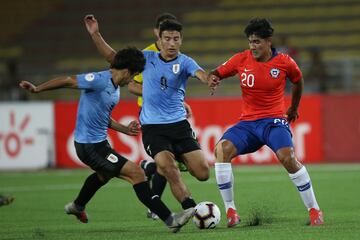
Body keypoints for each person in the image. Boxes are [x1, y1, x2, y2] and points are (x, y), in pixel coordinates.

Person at [19, 47, 194, 233]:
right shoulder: (98, 80)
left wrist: (124, 130)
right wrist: (38, 89)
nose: (131, 81)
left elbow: (104, 118)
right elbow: (68, 81)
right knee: (137, 174)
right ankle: (170, 219)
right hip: (89, 146)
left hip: (100, 143)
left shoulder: (115, 88)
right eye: (133, 76)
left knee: (103, 175)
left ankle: (77, 206)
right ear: (127, 71)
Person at [86, 17, 211, 214]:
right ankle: (189, 208)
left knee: (203, 173)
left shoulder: (185, 61)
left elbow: (201, 74)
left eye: (176, 39)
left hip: (179, 126)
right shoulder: (146, 58)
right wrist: (95, 34)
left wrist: (208, 80)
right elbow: (113, 57)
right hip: (154, 129)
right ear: (159, 40)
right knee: (170, 170)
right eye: (167, 39)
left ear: (181, 40)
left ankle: (154, 167)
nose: (171, 43)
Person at [208, 18, 324, 227]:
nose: (253, 47)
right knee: (221, 150)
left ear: (269, 41)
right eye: (251, 42)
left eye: (257, 42)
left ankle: (314, 210)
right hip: (248, 124)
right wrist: (213, 78)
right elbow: (216, 73)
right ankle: (231, 211)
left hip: (274, 122)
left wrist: (294, 108)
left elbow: (298, 80)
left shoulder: (285, 62)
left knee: (287, 158)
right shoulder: (241, 59)